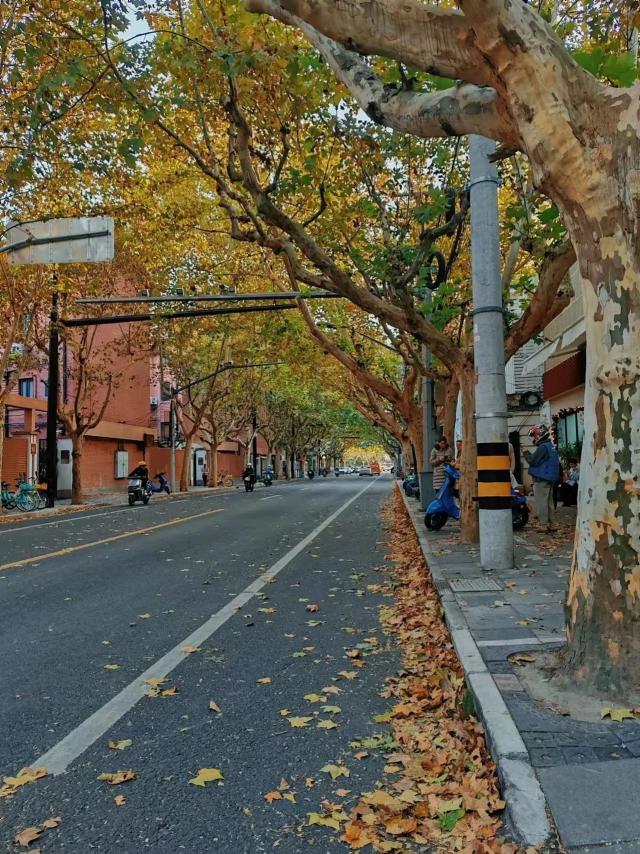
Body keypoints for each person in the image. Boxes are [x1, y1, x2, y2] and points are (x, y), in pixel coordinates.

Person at [523, 425, 560, 532]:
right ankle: (552, 524)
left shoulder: (542, 447)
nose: (534, 438)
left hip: (541, 479)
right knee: (549, 502)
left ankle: (543, 525)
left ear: (539, 434)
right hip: (550, 478)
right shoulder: (550, 446)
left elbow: (532, 460)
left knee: (541, 502)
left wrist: (525, 452)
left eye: (534, 435)